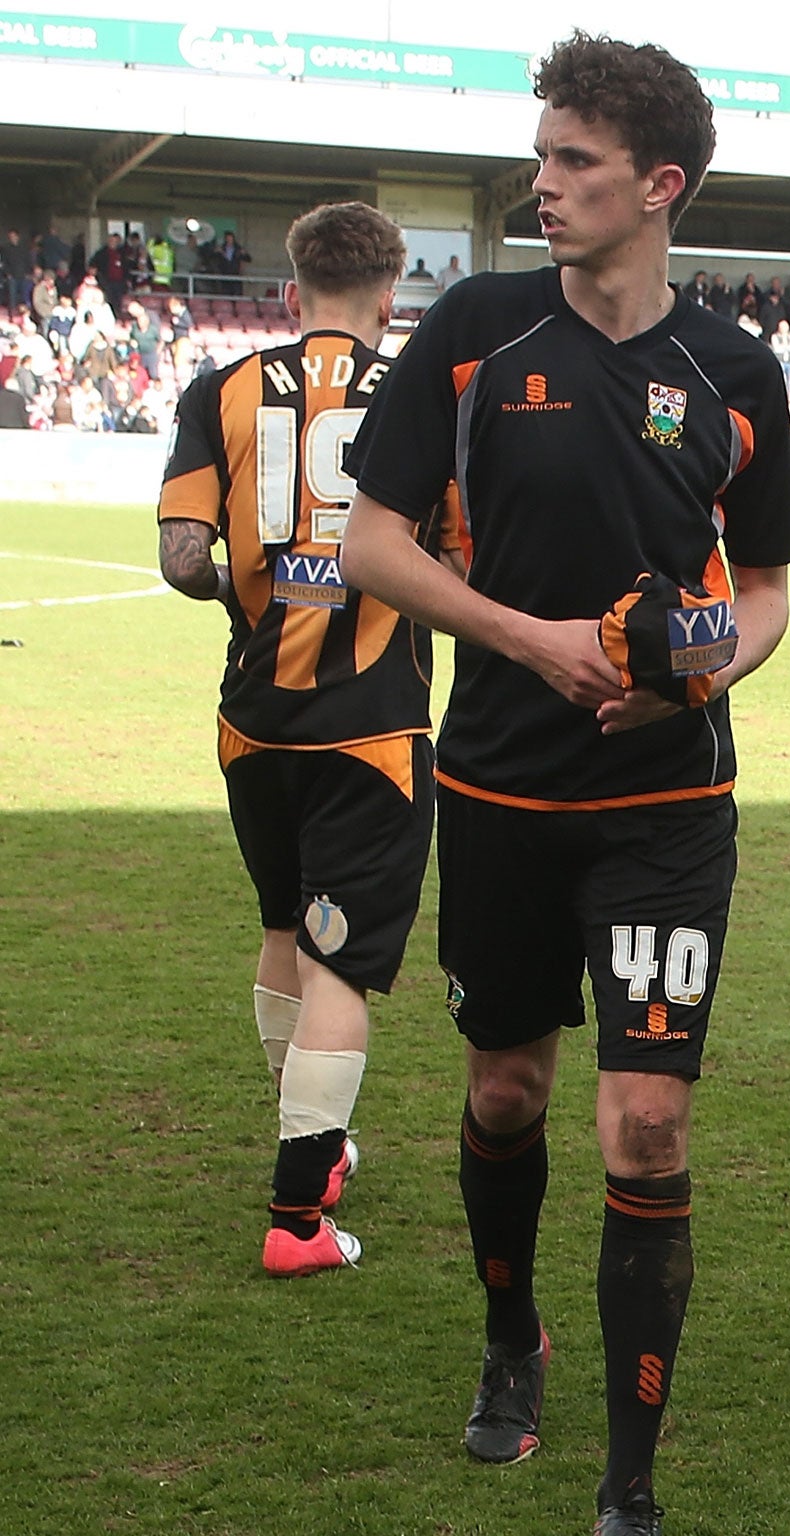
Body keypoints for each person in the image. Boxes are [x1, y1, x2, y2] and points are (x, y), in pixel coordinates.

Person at [338, 33, 790, 1535]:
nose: (542, 185)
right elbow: (372, 543)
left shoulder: (735, 371)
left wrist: (704, 666)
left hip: (670, 814)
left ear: (658, 185)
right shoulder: (475, 329)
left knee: (647, 1126)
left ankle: (631, 1484)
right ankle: (506, 1342)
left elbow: (773, 594)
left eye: (574, 163)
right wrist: (529, 641)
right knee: (505, 1088)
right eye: (541, 157)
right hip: (497, 799)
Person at [153, 201, 447, 1279]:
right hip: (370, 729)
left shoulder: (220, 389)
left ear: (291, 292)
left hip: (254, 720)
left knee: (284, 925)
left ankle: (315, 1149)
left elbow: (184, 555)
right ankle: (298, 1218)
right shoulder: (421, 393)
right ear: (388, 298)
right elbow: (460, 553)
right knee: (343, 964)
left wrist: (259, 603)